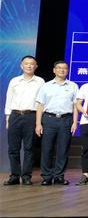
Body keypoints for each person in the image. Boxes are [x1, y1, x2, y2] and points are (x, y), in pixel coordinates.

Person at [35, 60, 79, 186]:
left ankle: (59, 176)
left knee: (63, 149)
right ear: (54, 70)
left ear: (68, 70)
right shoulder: (46, 86)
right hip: (49, 119)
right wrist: (38, 124)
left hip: (66, 120)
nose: (62, 70)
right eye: (59, 68)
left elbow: (76, 106)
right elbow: (40, 106)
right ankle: (46, 176)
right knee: (47, 149)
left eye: (64, 68)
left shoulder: (73, 86)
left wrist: (75, 122)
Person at [4, 55, 44, 185]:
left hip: (31, 116)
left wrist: (39, 121)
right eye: (26, 63)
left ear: (36, 66)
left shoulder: (40, 82)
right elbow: (9, 99)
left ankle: (26, 176)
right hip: (15, 115)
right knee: (13, 148)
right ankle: (14, 176)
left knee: (29, 148)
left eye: (32, 64)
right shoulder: (14, 81)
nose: (29, 66)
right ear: (21, 66)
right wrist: (8, 117)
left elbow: (41, 102)